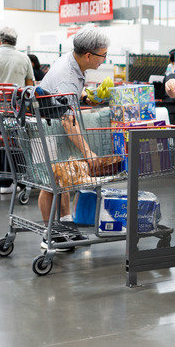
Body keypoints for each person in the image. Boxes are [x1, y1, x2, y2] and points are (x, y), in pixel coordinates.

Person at [38, 26, 111, 249]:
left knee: (63, 175)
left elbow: (65, 101)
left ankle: (67, 226)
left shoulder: (73, 63)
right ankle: (49, 234)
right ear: (88, 55)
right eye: (103, 55)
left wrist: (83, 96)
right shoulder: (67, 77)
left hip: (55, 123)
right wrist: (88, 151)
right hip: (47, 129)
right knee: (50, 183)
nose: (104, 60)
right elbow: (69, 123)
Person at [0, 27, 35, 194]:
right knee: (14, 144)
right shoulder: (24, 58)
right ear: (15, 41)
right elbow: (30, 86)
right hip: (15, 110)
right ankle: (13, 181)